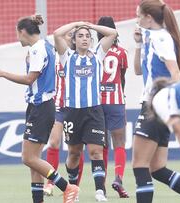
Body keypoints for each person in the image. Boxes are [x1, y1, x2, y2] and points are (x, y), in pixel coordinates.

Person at [0, 15, 79, 203]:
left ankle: (67, 187)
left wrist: (2, 73)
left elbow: (29, 79)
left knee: (28, 158)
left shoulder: (38, 49)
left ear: (22, 32)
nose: (17, 37)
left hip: (41, 107)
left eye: (17, 33)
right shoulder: (44, 46)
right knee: (34, 161)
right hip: (40, 107)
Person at [132, 1, 180, 203]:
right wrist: (138, 43)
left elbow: (175, 73)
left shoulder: (161, 38)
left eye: (139, 15)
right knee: (157, 168)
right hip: (157, 106)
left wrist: (175, 105)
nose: (137, 19)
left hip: (155, 106)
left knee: (139, 165)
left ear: (148, 18)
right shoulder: (151, 37)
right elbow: (138, 70)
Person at [53, 21, 118, 202]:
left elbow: (112, 33)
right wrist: (77, 24)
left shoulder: (97, 54)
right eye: (80, 36)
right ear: (73, 39)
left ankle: (100, 191)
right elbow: (57, 34)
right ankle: (73, 189)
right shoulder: (67, 56)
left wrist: (90, 25)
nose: (84, 39)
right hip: (72, 112)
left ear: (91, 40)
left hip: (94, 111)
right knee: (74, 153)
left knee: (96, 151)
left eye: (87, 36)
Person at [43, 29, 85, 197]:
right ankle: (50, 183)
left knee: (75, 149)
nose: (66, 38)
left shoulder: (79, 58)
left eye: (69, 36)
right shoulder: (54, 58)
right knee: (53, 142)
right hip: (58, 106)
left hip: (75, 108)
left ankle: (74, 186)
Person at [96, 16, 130, 198]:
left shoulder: (93, 52)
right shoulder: (122, 53)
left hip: (97, 102)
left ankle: (101, 186)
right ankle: (118, 178)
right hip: (116, 101)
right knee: (119, 144)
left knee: (102, 146)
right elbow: (122, 77)